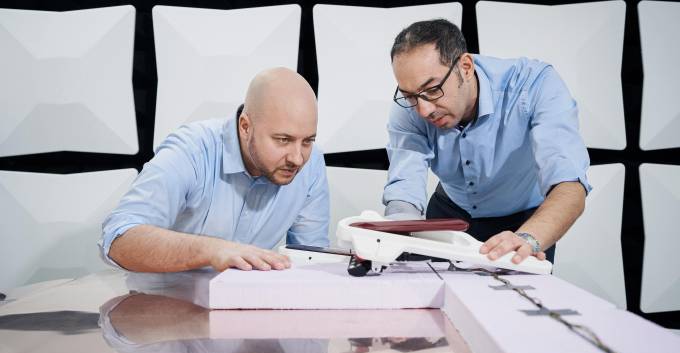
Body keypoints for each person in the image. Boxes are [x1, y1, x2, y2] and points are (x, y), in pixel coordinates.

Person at [383, 19, 591, 264]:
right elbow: (405, 185)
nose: (424, 110)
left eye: (432, 89)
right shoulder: (412, 105)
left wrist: (529, 238)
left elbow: (569, 186)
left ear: (466, 66)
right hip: (449, 212)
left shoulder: (535, 85)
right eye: (410, 96)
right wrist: (396, 235)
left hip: (525, 221)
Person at [100, 67, 329, 273]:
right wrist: (211, 249)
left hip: (246, 311)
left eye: (308, 141)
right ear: (245, 126)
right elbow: (119, 240)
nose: (298, 158)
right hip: (159, 308)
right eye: (283, 139)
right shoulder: (191, 151)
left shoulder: (312, 164)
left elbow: (312, 262)